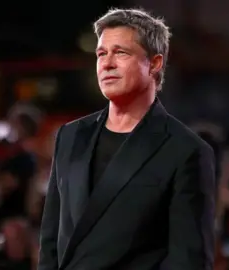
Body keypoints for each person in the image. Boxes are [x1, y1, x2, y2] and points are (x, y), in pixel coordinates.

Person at [38, 8, 216, 270]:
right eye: (101, 54)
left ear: (155, 64)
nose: (107, 63)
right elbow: (51, 240)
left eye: (120, 53)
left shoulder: (185, 150)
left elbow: (188, 261)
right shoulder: (70, 135)